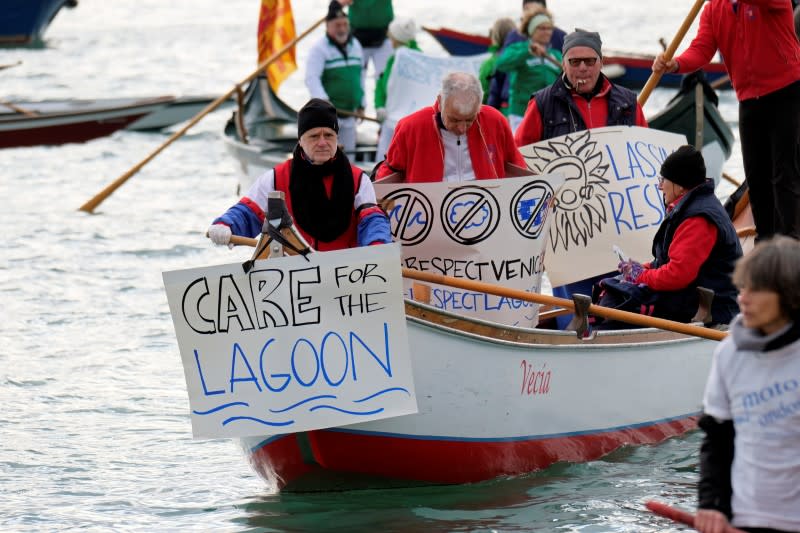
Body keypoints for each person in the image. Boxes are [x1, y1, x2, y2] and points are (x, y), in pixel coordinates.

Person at [652, 0, 800, 241]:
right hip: (749, 99)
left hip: (787, 91)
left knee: (785, 171)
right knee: (757, 175)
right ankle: (765, 242)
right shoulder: (713, 9)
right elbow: (701, 49)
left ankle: (791, 242)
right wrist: (675, 64)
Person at [694, 235, 800, 533]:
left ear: (789, 294)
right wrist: (712, 505)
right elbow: (717, 437)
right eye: (743, 287)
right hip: (745, 517)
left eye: (756, 289)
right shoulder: (729, 353)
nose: (743, 298)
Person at [207, 98, 391, 251]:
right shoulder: (275, 178)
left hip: (348, 276)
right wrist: (226, 224)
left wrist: (378, 246)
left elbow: (371, 219)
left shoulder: (359, 180)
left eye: (328, 135)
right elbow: (249, 212)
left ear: (337, 138)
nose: (322, 142)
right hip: (296, 278)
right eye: (314, 136)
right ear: (300, 140)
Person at [593, 146, 742, 329]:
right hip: (692, 296)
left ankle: (594, 340)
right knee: (613, 289)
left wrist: (641, 276)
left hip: (713, 309)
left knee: (617, 301)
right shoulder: (692, 207)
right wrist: (641, 269)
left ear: (680, 185)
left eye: (664, 180)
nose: (659, 185)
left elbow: (677, 275)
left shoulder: (698, 219)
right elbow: (668, 262)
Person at [375, 71, 525, 182]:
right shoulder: (410, 127)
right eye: (454, 119)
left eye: (469, 120)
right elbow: (389, 173)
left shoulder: (496, 120)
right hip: (429, 212)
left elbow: (517, 166)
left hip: (487, 210)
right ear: (440, 102)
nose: (461, 128)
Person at [515, 28, 648, 147]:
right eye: (575, 62)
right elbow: (519, 155)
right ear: (563, 65)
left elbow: (646, 149)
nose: (583, 68)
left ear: (601, 63)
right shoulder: (541, 103)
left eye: (590, 61)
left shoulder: (628, 102)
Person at [305, 1, 365, 155]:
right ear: (328, 26)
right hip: (329, 117)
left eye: (345, 24)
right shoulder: (319, 49)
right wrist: (325, 103)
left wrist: (362, 103)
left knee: (348, 157)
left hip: (351, 114)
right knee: (331, 156)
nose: (342, 29)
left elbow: (360, 77)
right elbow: (312, 78)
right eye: (337, 25)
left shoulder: (356, 45)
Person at [487, 0, 566, 114]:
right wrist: (527, 52)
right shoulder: (517, 48)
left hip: (549, 112)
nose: (547, 32)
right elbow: (501, 65)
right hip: (522, 112)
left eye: (549, 28)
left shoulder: (555, 54)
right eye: (542, 28)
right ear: (532, 30)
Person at [374, 16, 421, 161]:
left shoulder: (418, 59)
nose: (389, 38)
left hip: (407, 122)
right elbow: (382, 85)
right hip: (390, 118)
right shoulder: (393, 59)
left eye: (391, 36)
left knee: (390, 157)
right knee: (384, 157)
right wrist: (379, 105)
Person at [338, 0, 394, 85]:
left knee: (386, 79)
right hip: (357, 38)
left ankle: (382, 97)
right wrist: (336, 5)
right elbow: (340, 3)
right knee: (356, 81)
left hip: (384, 37)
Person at [478, 17, 517, 111]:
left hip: (497, 113)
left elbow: (482, 92)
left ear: (495, 36)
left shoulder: (489, 64)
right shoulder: (522, 58)